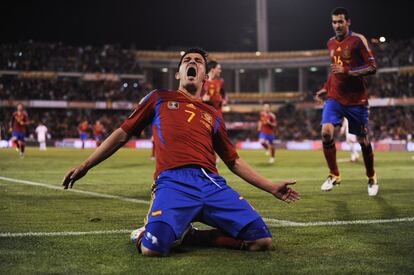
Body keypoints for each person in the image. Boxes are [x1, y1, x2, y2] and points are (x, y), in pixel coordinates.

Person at [62, 48, 299, 257]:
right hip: (172, 182)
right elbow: (122, 133)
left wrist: (271, 187)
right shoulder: (158, 98)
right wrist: (85, 166)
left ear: (205, 76)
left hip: (210, 183)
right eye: (187, 60)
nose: (192, 62)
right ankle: (146, 233)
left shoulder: (214, 115)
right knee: (152, 248)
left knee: (261, 241)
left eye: (198, 61)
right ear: (178, 73)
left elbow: (233, 162)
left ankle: (191, 237)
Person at [314, 7, 378, 196]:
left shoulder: (358, 40)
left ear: (348, 22)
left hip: (357, 100)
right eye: (334, 22)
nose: (337, 25)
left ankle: (371, 176)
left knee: (364, 141)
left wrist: (348, 72)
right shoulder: (330, 43)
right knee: (326, 132)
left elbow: (373, 68)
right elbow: (335, 70)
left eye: (340, 21)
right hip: (335, 97)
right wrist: (326, 88)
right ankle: (334, 175)